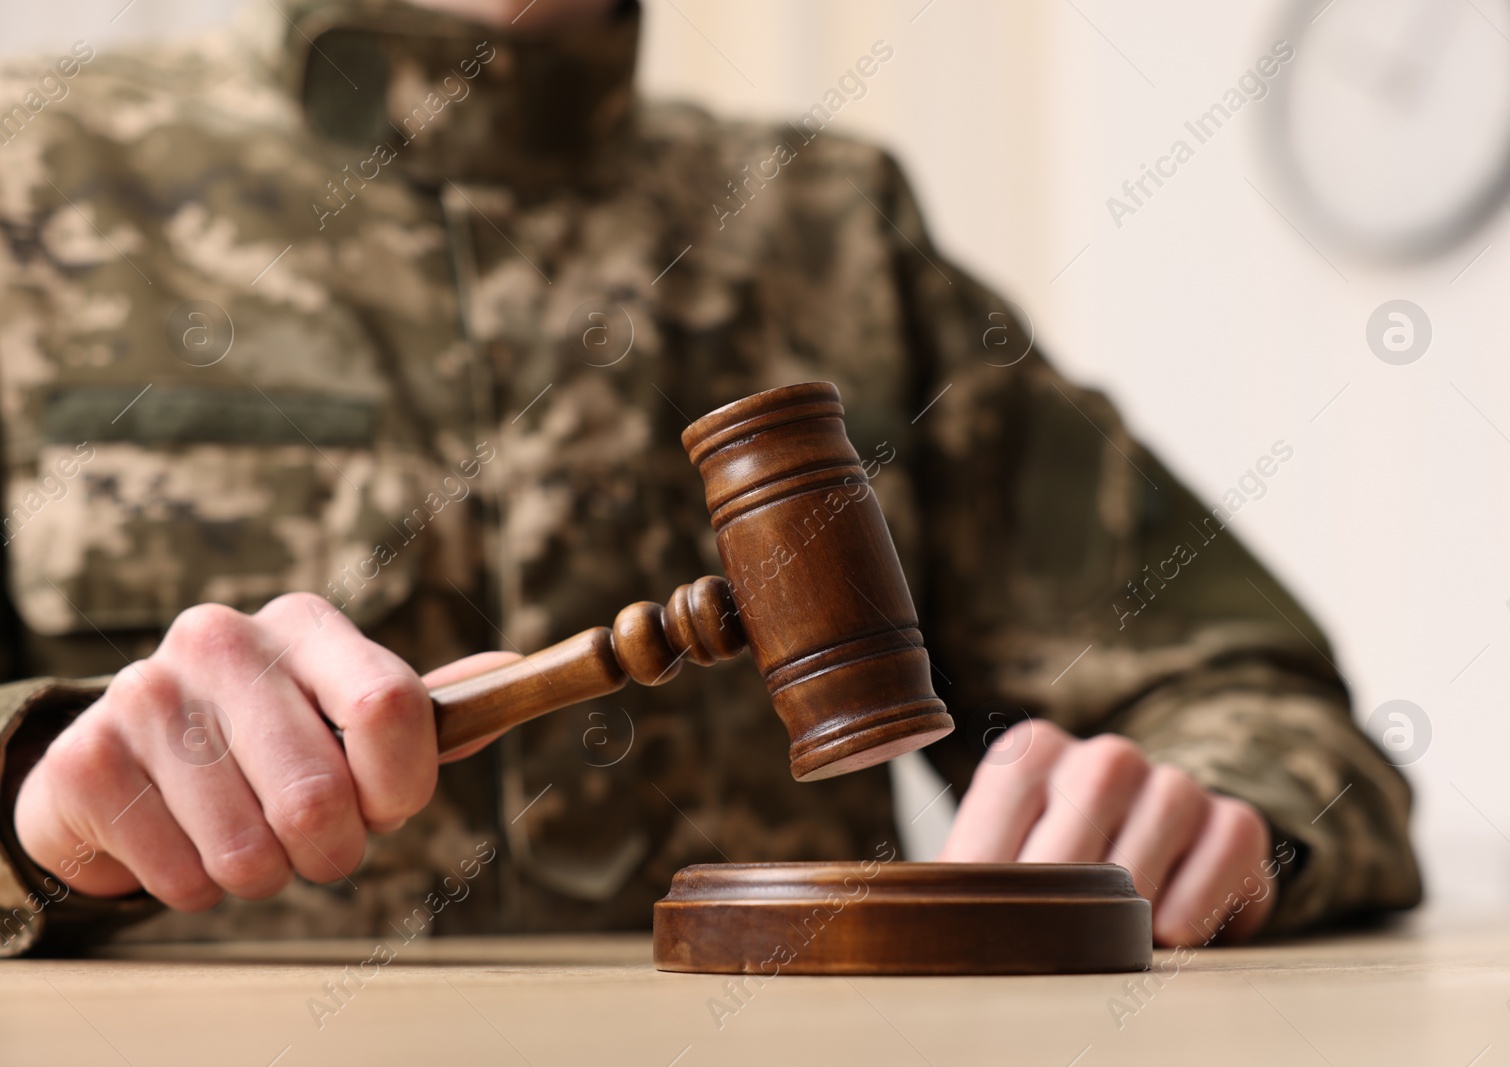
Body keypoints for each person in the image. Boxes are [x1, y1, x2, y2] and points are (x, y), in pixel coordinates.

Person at [0, 0, 1420, 958]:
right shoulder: (28, 176)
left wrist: (1204, 817)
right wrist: (32, 804)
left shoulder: (832, 227)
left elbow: (1261, 702)